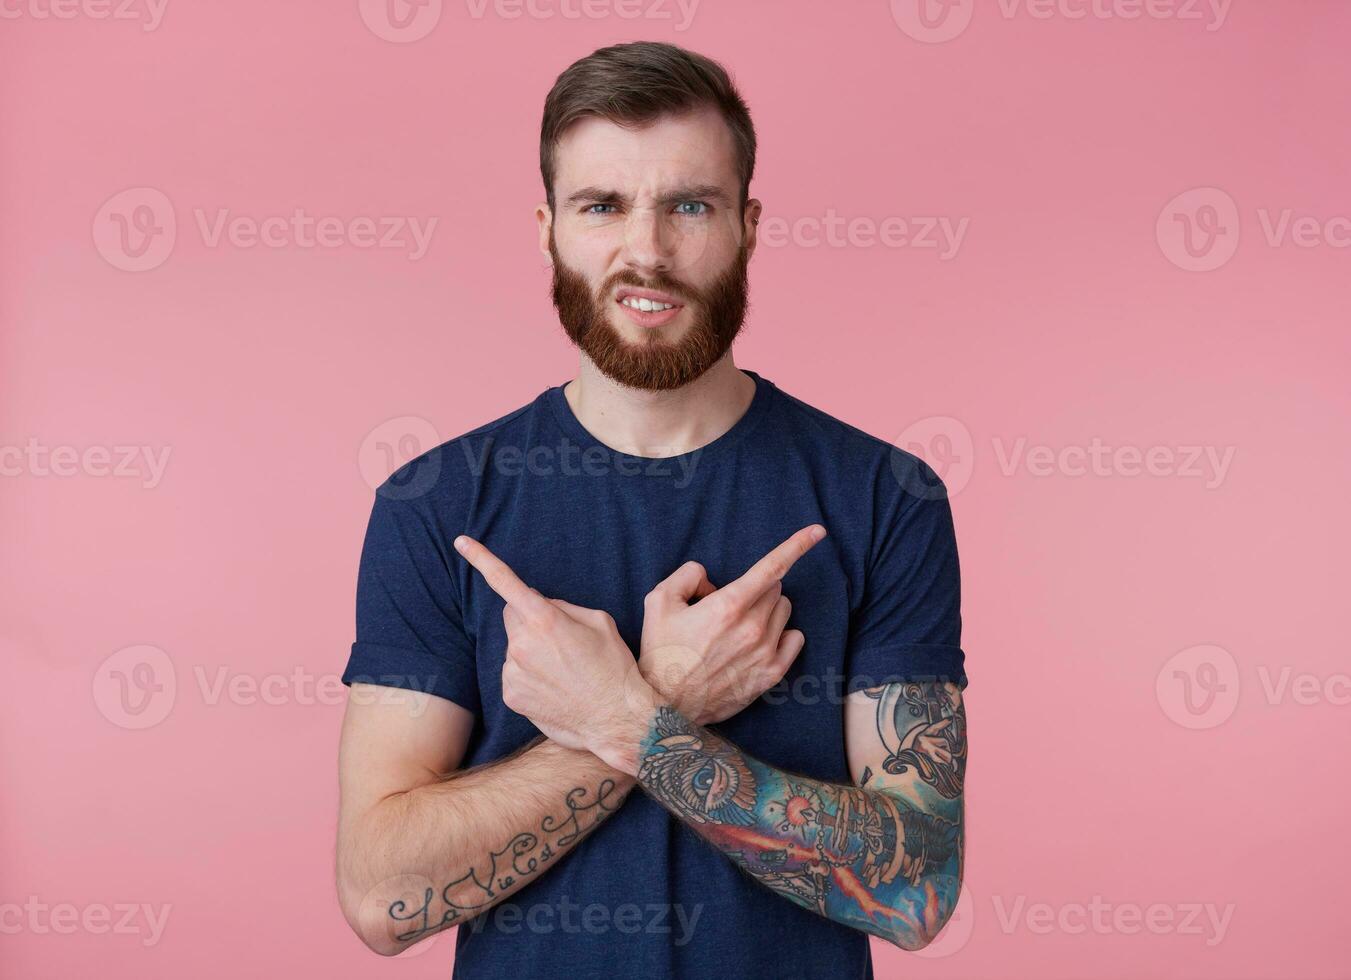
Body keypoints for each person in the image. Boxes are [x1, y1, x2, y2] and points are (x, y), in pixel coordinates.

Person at [336, 40, 968, 980]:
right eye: (602, 206)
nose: (648, 250)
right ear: (547, 227)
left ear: (747, 225)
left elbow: (915, 892)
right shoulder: (435, 507)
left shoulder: (886, 498)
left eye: (689, 205)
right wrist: (666, 699)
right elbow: (381, 898)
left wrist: (633, 721)